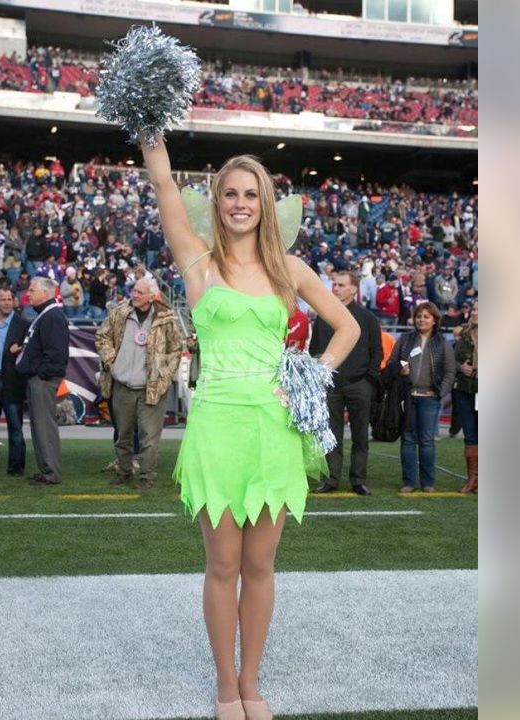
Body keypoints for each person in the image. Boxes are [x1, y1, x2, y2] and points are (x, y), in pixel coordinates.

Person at [141, 136, 359, 720]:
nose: (240, 203)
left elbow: (347, 328)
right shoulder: (197, 261)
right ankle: (224, 688)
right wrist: (150, 134)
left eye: (252, 194)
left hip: (274, 428)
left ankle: (252, 682)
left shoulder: (290, 268)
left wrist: (313, 377)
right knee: (222, 565)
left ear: (265, 204)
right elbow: (163, 186)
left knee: (261, 565)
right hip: (216, 426)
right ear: (217, 201)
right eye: (231, 193)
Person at [95, 277, 183, 490]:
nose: (135, 295)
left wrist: (164, 373)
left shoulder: (166, 318)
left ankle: (147, 476)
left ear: (152, 296)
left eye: (140, 292)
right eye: (134, 290)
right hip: (122, 385)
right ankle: (124, 471)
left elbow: (176, 349)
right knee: (122, 435)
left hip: (151, 388)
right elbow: (101, 336)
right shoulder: (119, 313)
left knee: (148, 437)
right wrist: (111, 361)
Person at [310, 270, 383, 496]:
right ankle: (331, 479)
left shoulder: (368, 318)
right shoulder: (323, 318)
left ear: (354, 289)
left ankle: (358, 480)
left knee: (361, 434)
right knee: (331, 435)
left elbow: (376, 351)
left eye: (341, 285)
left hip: (360, 384)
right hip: (331, 385)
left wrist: (368, 379)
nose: (336, 288)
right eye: (335, 284)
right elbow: (315, 350)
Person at [385, 301, 454, 493]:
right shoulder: (405, 339)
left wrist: (441, 392)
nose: (421, 320)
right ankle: (408, 482)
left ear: (434, 320)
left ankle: (428, 483)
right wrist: (400, 369)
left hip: (430, 398)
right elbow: (391, 363)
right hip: (407, 397)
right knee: (407, 440)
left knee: (426, 441)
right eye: (419, 316)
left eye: (426, 316)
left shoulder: (443, 343)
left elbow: (450, 372)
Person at [15, 276, 70, 485]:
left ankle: (51, 472)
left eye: (32, 290)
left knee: (44, 427)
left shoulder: (52, 316)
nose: (28, 294)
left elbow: (56, 354)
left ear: (45, 293)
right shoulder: (47, 315)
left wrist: (40, 374)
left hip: (43, 380)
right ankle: (46, 469)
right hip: (39, 378)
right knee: (39, 427)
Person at [0, 288, 29, 476]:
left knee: (15, 427)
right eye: (3, 299)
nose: (7, 302)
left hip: (12, 381)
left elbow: (30, 349)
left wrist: (21, 351)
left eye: (10, 299)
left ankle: (16, 467)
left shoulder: (23, 324)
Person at [454, 306, 478, 493]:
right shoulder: (465, 335)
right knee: (470, 436)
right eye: (474, 310)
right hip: (466, 390)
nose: (475, 313)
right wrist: (461, 367)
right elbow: (454, 358)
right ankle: (473, 479)